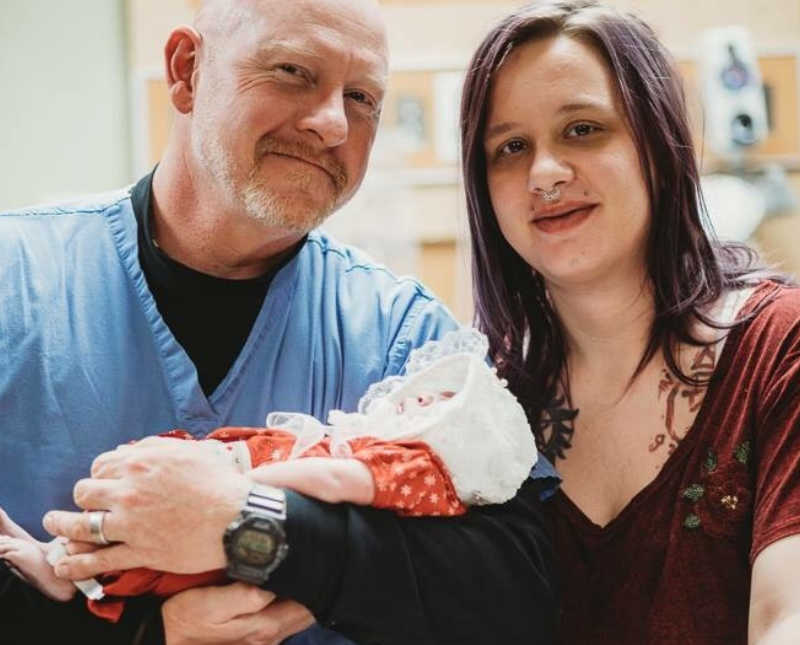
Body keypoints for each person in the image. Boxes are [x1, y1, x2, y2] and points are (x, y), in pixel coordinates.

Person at [0, 0, 558, 643]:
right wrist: (145, 634)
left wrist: (252, 526)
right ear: (186, 72)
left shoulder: (404, 337)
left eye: (362, 98)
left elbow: (517, 591)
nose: (330, 123)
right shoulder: (20, 283)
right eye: (292, 71)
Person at [453, 1, 800, 643]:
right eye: (511, 147)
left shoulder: (780, 345)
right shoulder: (486, 404)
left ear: (660, 145)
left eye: (582, 129)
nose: (545, 173)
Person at [1, 329, 537, 623]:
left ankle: (64, 570)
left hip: (233, 513)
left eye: (437, 402)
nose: (331, 123)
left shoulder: (412, 460)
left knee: (140, 550)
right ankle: (60, 566)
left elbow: (512, 585)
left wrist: (241, 511)